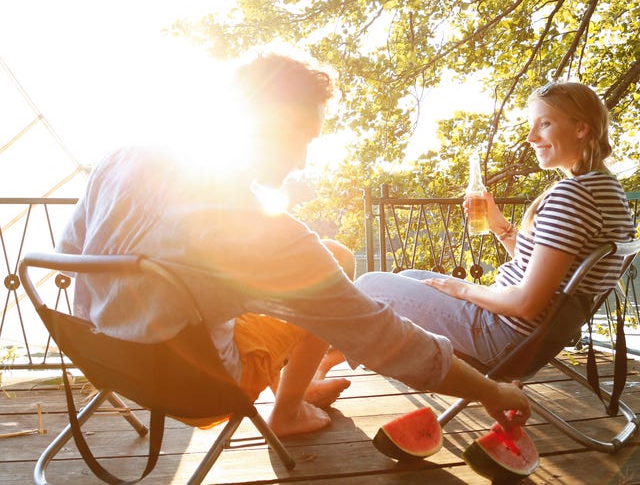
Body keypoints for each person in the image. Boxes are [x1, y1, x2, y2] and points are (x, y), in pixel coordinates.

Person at [57, 52, 529, 439]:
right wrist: (491, 390)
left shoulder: (124, 158)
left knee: (335, 256)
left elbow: (71, 249)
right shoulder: (262, 231)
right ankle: (288, 411)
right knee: (331, 273)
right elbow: (384, 338)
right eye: (302, 138)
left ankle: (298, 390)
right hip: (196, 385)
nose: (303, 160)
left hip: (104, 356)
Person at [318, 81, 636, 378]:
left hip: (502, 336)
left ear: (581, 127)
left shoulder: (574, 196)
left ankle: (318, 369)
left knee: (370, 284)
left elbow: (527, 302)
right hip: (533, 334)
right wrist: (501, 227)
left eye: (544, 124)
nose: (531, 137)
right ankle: (325, 364)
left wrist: (464, 290)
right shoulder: (608, 191)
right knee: (407, 278)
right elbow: (550, 272)